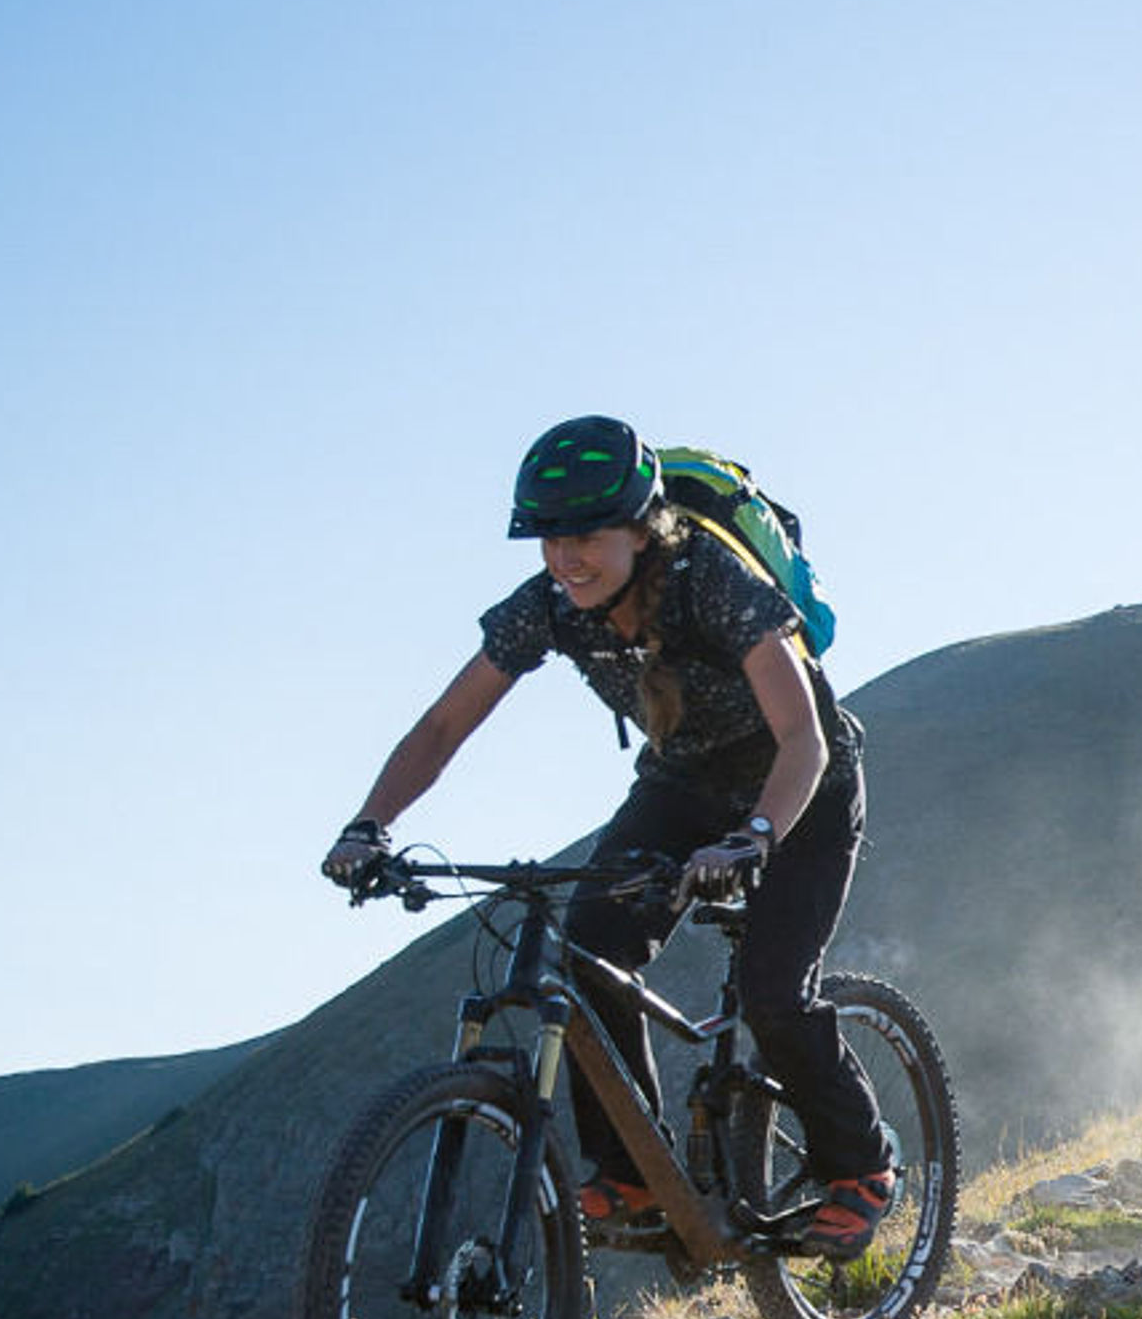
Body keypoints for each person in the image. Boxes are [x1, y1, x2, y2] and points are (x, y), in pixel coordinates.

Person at [321, 416, 896, 1256]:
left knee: (774, 991)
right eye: (548, 540)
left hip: (798, 784)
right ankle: (633, 1175)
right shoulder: (552, 610)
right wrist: (370, 825)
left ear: (640, 526)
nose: (566, 558)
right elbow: (444, 726)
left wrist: (756, 835)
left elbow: (803, 739)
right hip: (682, 787)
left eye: (586, 534)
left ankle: (863, 1166)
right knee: (585, 958)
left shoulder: (713, 583)